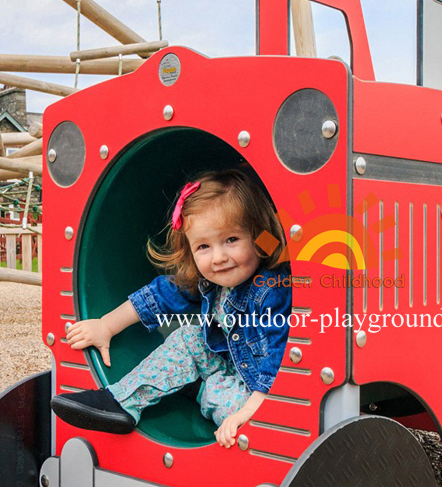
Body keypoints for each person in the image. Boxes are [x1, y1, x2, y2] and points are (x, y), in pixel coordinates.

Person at [50, 169, 291, 448]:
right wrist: (105, 326)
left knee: (230, 410)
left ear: (258, 238)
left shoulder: (271, 291)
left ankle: (197, 388)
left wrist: (245, 414)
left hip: (260, 390)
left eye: (231, 240)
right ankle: (120, 402)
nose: (219, 257)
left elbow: (275, 364)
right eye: (203, 246)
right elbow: (160, 295)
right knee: (189, 337)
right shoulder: (209, 280)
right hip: (227, 367)